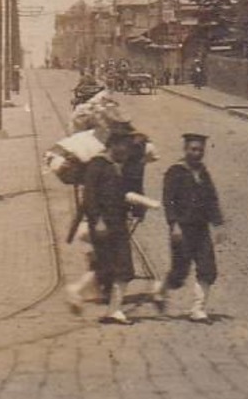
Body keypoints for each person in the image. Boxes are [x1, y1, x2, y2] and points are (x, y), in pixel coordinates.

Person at [157, 132, 226, 322]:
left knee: (207, 268)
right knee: (179, 272)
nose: (197, 153)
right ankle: (161, 289)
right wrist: (174, 224)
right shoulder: (175, 172)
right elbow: (168, 200)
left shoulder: (203, 172)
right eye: (193, 149)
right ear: (185, 149)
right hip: (182, 229)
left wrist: (218, 224)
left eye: (200, 150)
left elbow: (212, 199)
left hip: (201, 229)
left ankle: (198, 309)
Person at [79, 128, 140, 324]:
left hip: (119, 223)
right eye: (122, 146)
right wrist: (97, 220)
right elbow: (89, 196)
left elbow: (130, 191)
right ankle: (81, 294)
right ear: (112, 145)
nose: (125, 151)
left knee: (125, 268)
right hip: (102, 225)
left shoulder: (122, 167)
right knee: (106, 268)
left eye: (128, 148)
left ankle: (114, 310)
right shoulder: (98, 165)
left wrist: (137, 210)